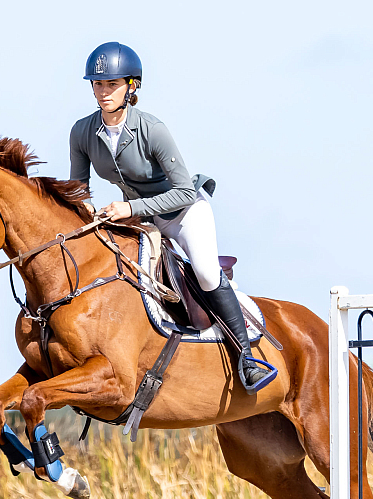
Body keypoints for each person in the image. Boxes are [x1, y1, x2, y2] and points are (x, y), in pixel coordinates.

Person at [68, 41, 275, 393]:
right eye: (98, 84)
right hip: (140, 221)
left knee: (207, 273)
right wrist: (84, 207)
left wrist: (129, 208)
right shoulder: (82, 132)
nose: (103, 93)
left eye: (112, 85)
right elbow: (78, 187)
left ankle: (247, 357)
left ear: (131, 87)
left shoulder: (153, 129)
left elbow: (183, 190)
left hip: (183, 212)